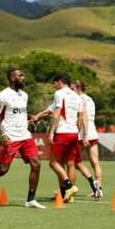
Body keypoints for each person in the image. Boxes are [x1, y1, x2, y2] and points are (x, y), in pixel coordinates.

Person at [0, 68, 44, 209]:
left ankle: (30, 199)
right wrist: (3, 134)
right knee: (3, 169)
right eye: (21, 75)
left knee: (36, 164)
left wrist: (30, 117)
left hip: (25, 136)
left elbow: (18, 112)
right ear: (12, 78)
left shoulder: (24, 95)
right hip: (10, 137)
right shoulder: (2, 96)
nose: (24, 77)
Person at [45, 73, 84, 203]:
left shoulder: (59, 93)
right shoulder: (77, 96)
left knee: (53, 163)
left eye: (54, 82)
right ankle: (67, 196)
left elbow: (56, 114)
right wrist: (78, 131)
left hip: (62, 132)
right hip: (74, 133)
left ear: (60, 81)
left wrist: (51, 132)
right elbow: (80, 118)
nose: (54, 85)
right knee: (70, 163)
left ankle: (69, 187)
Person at [70, 80, 103, 199]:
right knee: (95, 162)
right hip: (93, 132)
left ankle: (70, 188)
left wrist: (85, 135)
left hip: (83, 134)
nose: (71, 90)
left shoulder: (79, 100)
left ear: (78, 88)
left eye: (72, 88)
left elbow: (84, 117)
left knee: (73, 162)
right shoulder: (90, 99)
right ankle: (98, 189)